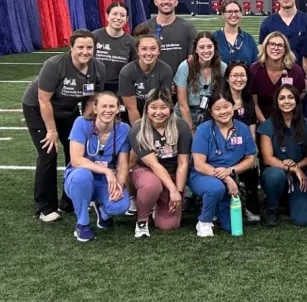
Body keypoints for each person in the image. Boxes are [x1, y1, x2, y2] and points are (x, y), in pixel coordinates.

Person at [22, 29, 104, 222]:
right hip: (38, 108)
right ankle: (45, 207)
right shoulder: (55, 65)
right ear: (71, 47)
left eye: (89, 47)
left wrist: (84, 124)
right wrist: (51, 130)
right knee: (49, 152)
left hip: (68, 110)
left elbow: (92, 99)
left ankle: (69, 200)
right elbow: (43, 100)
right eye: (80, 47)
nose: (85, 51)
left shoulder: (98, 67)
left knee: (76, 152)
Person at [187, 91, 258, 237]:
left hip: (228, 175)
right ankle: (204, 221)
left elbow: (251, 158)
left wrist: (231, 171)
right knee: (215, 188)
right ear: (211, 113)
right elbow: (199, 164)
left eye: (226, 106)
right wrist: (226, 178)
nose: (223, 112)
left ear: (233, 107)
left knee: (230, 227)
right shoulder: (204, 129)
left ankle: (217, 209)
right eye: (217, 109)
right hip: (201, 175)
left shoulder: (243, 129)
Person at [63, 91, 131, 242]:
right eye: (104, 106)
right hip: (80, 178)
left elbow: (123, 163)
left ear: (118, 108)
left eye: (112, 106)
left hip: (104, 181)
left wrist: (120, 184)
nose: (108, 110)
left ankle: (102, 209)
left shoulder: (124, 129)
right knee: (82, 175)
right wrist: (107, 171)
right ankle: (82, 224)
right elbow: (76, 160)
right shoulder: (81, 123)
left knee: (120, 206)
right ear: (95, 108)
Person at [128, 88, 190, 238]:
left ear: (170, 108)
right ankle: (142, 219)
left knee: (169, 225)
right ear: (146, 109)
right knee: (151, 185)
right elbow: (154, 165)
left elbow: (183, 162)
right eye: (153, 107)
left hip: (173, 173)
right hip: (147, 172)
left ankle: (159, 202)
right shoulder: (137, 129)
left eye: (163, 107)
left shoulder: (181, 126)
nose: (158, 112)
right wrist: (173, 191)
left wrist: (179, 192)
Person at [258, 85, 307, 227]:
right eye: (282, 98)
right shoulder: (267, 125)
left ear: (297, 100)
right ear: (276, 102)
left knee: (304, 219)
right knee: (274, 174)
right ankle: (272, 209)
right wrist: (293, 168)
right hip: (278, 173)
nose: (286, 101)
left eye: (290, 97)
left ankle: (288, 201)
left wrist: (298, 166)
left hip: (300, 177)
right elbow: (267, 158)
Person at [223, 61, 262, 221]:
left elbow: (252, 131)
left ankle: (251, 206)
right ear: (227, 78)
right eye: (235, 75)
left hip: (242, 149)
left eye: (242, 75)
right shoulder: (219, 99)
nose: (239, 79)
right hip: (222, 149)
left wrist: (252, 154)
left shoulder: (248, 102)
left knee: (251, 166)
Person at [118, 24, 175, 124]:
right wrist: (140, 133)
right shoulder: (127, 72)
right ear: (137, 51)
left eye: (153, 49)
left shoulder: (166, 70)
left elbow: (162, 104)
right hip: (131, 116)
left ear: (159, 51)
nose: (148, 53)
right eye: (144, 49)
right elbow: (132, 109)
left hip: (156, 113)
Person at [174, 31, 226, 132]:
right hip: (185, 114)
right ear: (196, 50)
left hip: (209, 114)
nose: (206, 50)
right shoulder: (185, 67)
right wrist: (191, 130)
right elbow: (183, 104)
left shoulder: (222, 67)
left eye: (209, 46)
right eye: (202, 47)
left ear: (214, 48)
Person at [250, 31, 307, 122]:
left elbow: (297, 102)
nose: (276, 48)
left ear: (285, 49)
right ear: (265, 47)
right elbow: (254, 103)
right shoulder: (255, 70)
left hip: (289, 120)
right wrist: (265, 125)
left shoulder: (296, 72)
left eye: (280, 45)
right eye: (272, 44)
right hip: (262, 120)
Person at [144, 0, 199, 71]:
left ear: (176, 2)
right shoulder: (144, 29)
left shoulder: (189, 28)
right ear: (155, 2)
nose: (166, 1)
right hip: (151, 82)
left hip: (179, 83)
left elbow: (192, 60)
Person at [92, 1, 135, 95]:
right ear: (107, 16)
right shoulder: (94, 36)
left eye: (122, 15)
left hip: (119, 89)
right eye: (114, 14)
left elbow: (133, 69)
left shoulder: (132, 42)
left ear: (127, 19)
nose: (118, 18)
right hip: (95, 87)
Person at [217, 0, 259, 66]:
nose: (233, 14)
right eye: (229, 11)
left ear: (241, 14)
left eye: (236, 11)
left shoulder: (249, 39)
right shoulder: (215, 38)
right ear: (222, 15)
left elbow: (255, 65)